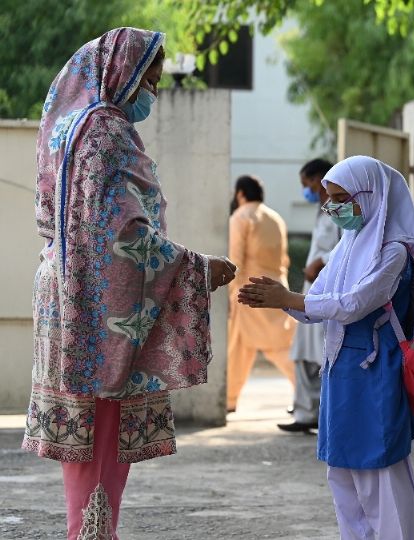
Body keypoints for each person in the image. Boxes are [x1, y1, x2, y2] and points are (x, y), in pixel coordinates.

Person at [24, 28, 236, 539]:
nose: (153, 94)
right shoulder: (107, 131)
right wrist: (196, 268)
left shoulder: (70, 127)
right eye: (150, 81)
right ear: (123, 74)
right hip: (97, 309)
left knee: (87, 446)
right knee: (101, 439)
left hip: (66, 292)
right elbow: (119, 234)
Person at [238, 156, 414, 539]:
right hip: (340, 372)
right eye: (330, 197)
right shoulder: (347, 246)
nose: (331, 206)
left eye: (340, 197)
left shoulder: (393, 252)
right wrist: (283, 300)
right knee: (342, 473)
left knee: (381, 473)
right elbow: (319, 302)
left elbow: (355, 304)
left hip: (377, 372)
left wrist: (289, 297)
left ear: (369, 196)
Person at [279, 158, 339, 434]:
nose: (307, 190)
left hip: (331, 290)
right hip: (313, 290)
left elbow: (348, 244)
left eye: (308, 184)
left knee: (324, 356)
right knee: (304, 353)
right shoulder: (322, 210)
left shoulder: (342, 208)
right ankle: (306, 413)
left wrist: (322, 261)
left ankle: (322, 414)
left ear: (320, 178)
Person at [227, 175, 296, 412]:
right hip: (277, 288)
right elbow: (284, 259)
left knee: (240, 347)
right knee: (281, 346)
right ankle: (309, 394)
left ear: (240, 194)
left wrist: (229, 291)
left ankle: (229, 400)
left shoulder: (241, 217)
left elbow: (234, 260)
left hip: (248, 290)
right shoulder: (275, 218)